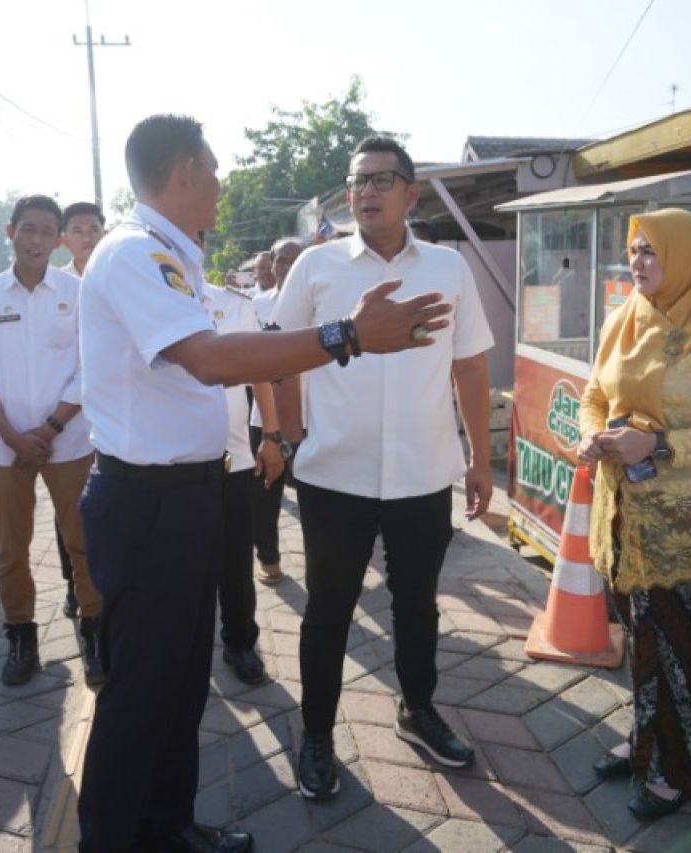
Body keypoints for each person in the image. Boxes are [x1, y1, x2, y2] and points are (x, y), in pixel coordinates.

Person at [76, 113, 451, 853]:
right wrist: (344, 335)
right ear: (183, 171)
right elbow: (212, 360)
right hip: (147, 501)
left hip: (185, 494)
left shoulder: (170, 257)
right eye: (213, 170)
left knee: (181, 687)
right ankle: (113, 839)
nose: (220, 186)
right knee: (141, 693)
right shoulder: (133, 253)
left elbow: (227, 349)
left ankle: (167, 826)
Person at [272, 135, 494, 800]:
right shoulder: (316, 267)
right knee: (328, 611)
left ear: (410, 192)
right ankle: (316, 736)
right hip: (333, 475)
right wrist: (288, 438)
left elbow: (471, 363)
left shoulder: (449, 269)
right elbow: (280, 354)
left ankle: (417, 709)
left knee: (417, 605)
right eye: (356, 182)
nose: (364, 192)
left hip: (423, 473)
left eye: (380, 179)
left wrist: (481, 458)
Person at [576, 208, 691, 820]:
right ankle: (645, 739)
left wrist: (659, 444)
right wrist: (591, 436)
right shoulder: (624, 317)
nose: (636, 261)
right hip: (620, 516)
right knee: (638, 639)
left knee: (681, 648)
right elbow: (594, 393)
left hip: (684, 522)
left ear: (688, 255)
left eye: (651, 251)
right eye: (633, 250)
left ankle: (680, 768)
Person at [0, 195, 103, 688]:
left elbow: (91, 367)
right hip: (3, 449)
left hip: (68, 443)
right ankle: (21, 635)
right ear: (10, 232)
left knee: (84, 542)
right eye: (29, 229)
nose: (38, 240)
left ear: (59, 239)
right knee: (11, 548)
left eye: (48, 232)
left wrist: (48, 430)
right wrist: (12, 437)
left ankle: (94, 631)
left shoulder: (78, 291)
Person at [200, 279, 285, 684]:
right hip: (170, 461)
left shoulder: (232, 304)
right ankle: (185, 649)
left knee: (235, 561)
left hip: (231, 455)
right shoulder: (148, 296)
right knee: (181, 565)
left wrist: (270, 436)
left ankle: (240, 643)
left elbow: (260, 373)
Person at [51, 201, 107, 619]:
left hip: (113, 414)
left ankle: (105, 582)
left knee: (109, 506)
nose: (87, 236)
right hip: (68, 420)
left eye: (94, 228)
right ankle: (75, 584)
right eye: (78, 229)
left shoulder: (115, 278)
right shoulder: (53, 287)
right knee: (67, 511)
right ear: (63, 238)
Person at [251, 236, 303, 585]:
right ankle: (268, 558)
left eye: (295, 260)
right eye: (281, 260)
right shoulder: (255, 305)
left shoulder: (323, 304)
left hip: (311, 416)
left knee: (315, 494)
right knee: (264, 493)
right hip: (264, 417)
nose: (287, 267)